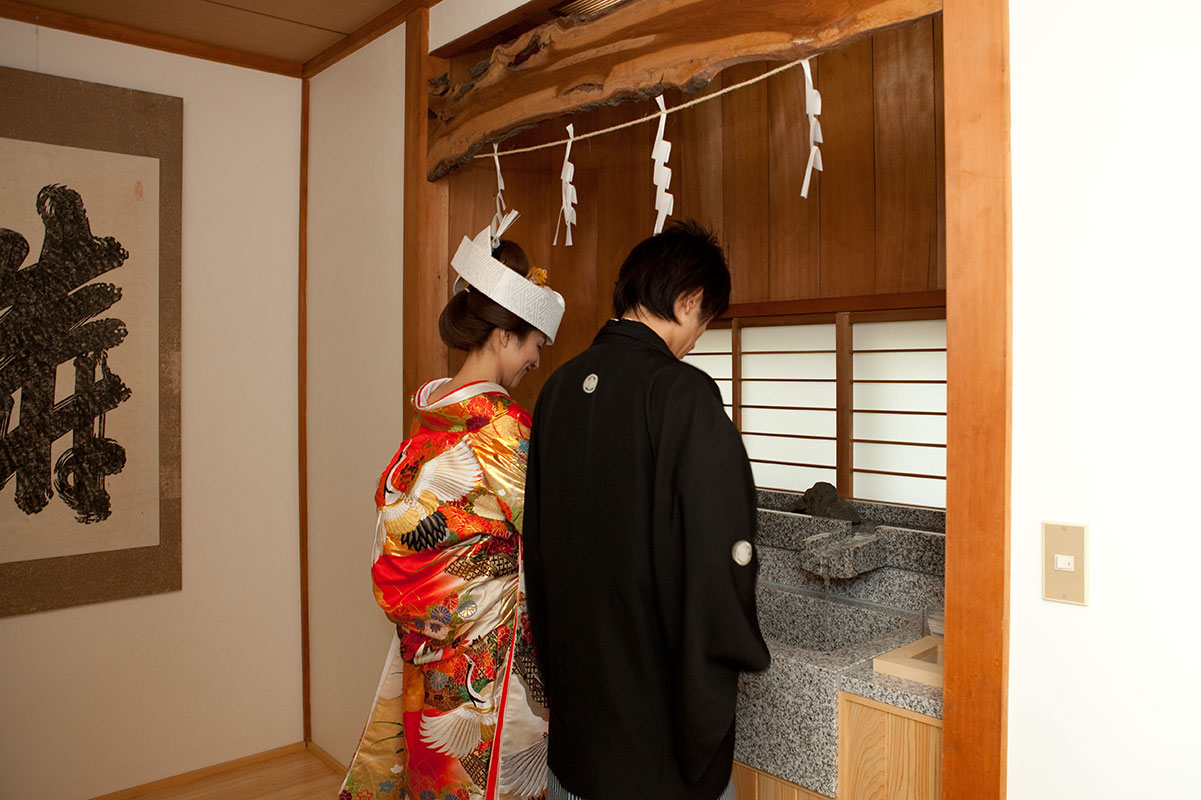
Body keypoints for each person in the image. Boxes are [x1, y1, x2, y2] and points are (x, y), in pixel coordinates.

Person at [524, 220, 771, 800]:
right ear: (688, 301)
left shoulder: (558, 388)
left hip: (578, 727)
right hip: (653, 739)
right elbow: (719, 551)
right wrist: (734, 651)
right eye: (705, 321)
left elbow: (538, 547)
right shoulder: (681, 393)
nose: (698, 338)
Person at [341, 224, 564, 800]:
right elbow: (556, 540)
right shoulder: (501, 428)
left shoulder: (432, 413)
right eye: (535, 343)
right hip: (486, 659)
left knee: (431, 778)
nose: (537, 358)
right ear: (504, 336)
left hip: (426, 649)